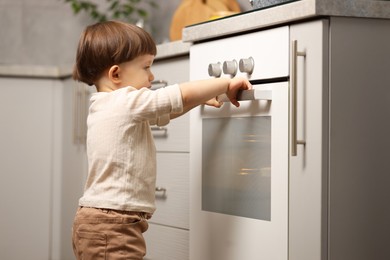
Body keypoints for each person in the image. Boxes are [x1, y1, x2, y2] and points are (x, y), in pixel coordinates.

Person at [71, 20, 252, 260]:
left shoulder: (111, 105)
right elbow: (174, 96)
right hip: (113, 225)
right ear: (116, 74)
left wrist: (202, 97)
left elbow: (169, 108)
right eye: (146, 67)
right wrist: (225, 83)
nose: (151, 75)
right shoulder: (123, 102)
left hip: (106, 221)